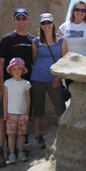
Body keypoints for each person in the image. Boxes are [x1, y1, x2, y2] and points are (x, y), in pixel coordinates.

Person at [0, 8, 34, 166]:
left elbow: (34, 61)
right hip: (9, 85)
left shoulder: (32, 40)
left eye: (23, 18)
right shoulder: (7, 39)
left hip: (26, 84)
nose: (21, 21)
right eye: (18, 18)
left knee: (23, 114)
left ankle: (21, 148)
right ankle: (8, 150)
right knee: (8, 115)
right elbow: (0, 63)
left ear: (27, 20)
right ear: (14, 21)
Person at [31, 13, 67, 148]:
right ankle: (39, 135)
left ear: (53, 24)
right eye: (43, 23)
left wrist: (59, 77)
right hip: (37, 79)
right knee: (38, 109)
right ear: (40, 25)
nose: (46, 25)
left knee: (60, 108)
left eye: (48, 23)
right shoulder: (35, 41)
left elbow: (65, 60)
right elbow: (34, 60)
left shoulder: (62, 41)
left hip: (54, 79)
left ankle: (62, 135)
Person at [59, 0, 86, 87]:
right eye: (77, 9)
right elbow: (59, 49)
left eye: (83, 10)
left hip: (85, 67)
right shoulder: (63, 27)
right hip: (69, 67)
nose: (80, 12)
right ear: (73, 11)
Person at [3, 57, 31, 164]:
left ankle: (21, 152)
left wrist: (27, 113)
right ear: (10, 70)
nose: (17, 71)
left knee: (21, 134)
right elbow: (5, 98)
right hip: (11, 113)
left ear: (23, 70)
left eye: (19, 69)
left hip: (22, 113)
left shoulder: (26, 83)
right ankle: (11, 153)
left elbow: (28, 99)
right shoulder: (7, 83)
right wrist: (5, 112)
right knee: (11, 134)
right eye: (14, 69)